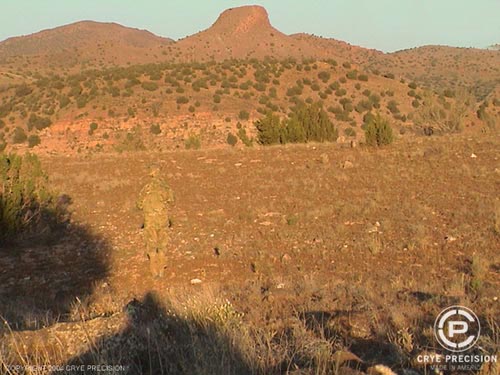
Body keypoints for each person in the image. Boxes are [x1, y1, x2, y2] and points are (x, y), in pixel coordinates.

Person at [137, 166, 174, 277]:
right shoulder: (166, 188)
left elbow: (138, 205)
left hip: (150, 221)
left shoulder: (146, 189)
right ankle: (162, 271)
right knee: (162, 245)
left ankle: (154, 272)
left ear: (151, 174)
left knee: (151, 246)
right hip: (162, 220)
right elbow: (172, 201)